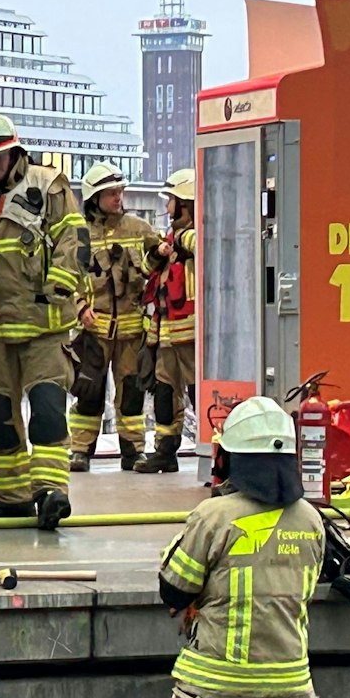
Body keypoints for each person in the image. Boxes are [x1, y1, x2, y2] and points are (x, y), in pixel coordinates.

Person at [133, 396, 326, 698]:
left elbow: (175, 589)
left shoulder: (213, 517)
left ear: (231, 458)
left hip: (214, 682)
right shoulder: (311, 520)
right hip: (287, 682)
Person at [0, 110, 89, 528]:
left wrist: (59, 288)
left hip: (44, 325)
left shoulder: (47, 185)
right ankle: (10, 498)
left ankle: (50, 493)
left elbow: (73, 238)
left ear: (14, 152)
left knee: (47, 409)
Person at [68, 162, 160, 473]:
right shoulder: (78, 233)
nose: (118, 198)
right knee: (88, 392)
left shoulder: (138, 228)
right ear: (94, 197)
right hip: (93, 331)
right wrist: (80, 306)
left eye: (120, 192)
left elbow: (159, 260)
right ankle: (80, 451)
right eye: (111, 193)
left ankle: (133, 451)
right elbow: (65, 278)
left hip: (132, 332)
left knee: (132, 395)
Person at [137, 168, 198, 474]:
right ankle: (165, 450)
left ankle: (216, 449)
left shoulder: (197, 237)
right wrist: (159, 252)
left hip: (190, 334)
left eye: (172, 200)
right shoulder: (169, 240)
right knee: (163, 391)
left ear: (185, 203)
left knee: (198, 391)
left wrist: (182, 239)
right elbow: (148, 269)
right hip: (165, 333)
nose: (167, 206)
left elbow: (201, 248)